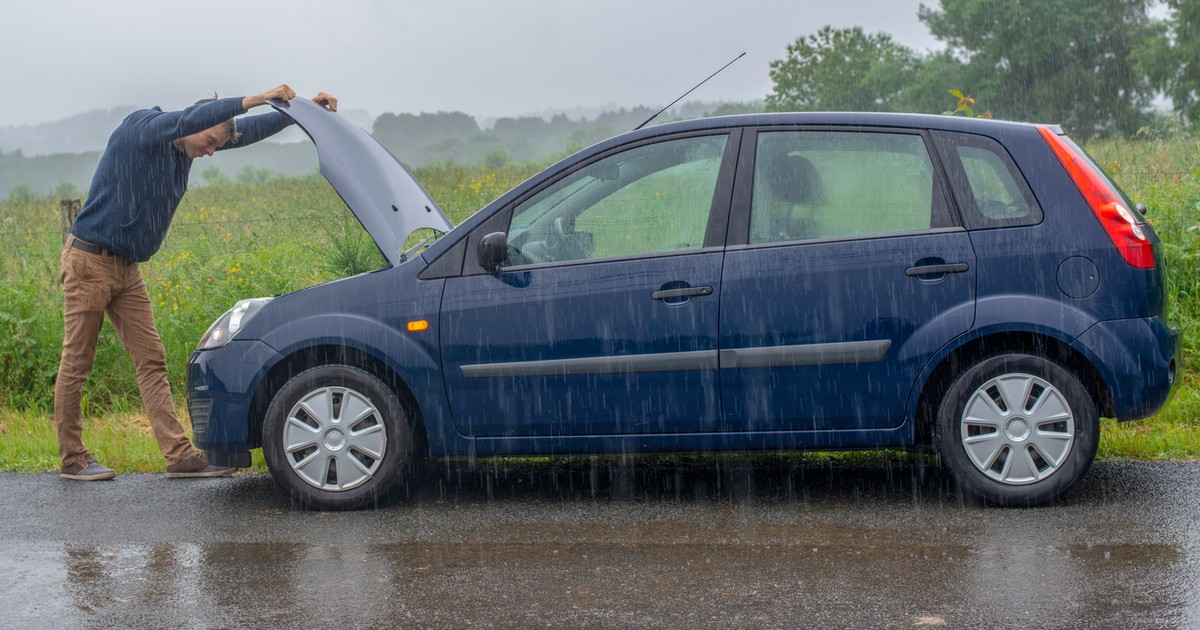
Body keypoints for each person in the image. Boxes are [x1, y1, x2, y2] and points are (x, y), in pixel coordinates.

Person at [55, 85, 338, 481]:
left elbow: (246, 133)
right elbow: (190, 121)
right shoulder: (142, 128)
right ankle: (73, 458)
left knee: (151, 360)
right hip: (89, 261)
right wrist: (258, 96)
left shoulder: (186, 147)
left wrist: (300, 112)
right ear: (197, 123)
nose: (209, 152)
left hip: (127, 269)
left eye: (215, 146)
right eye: (209, 142)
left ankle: (179, 456)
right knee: (77, 363)